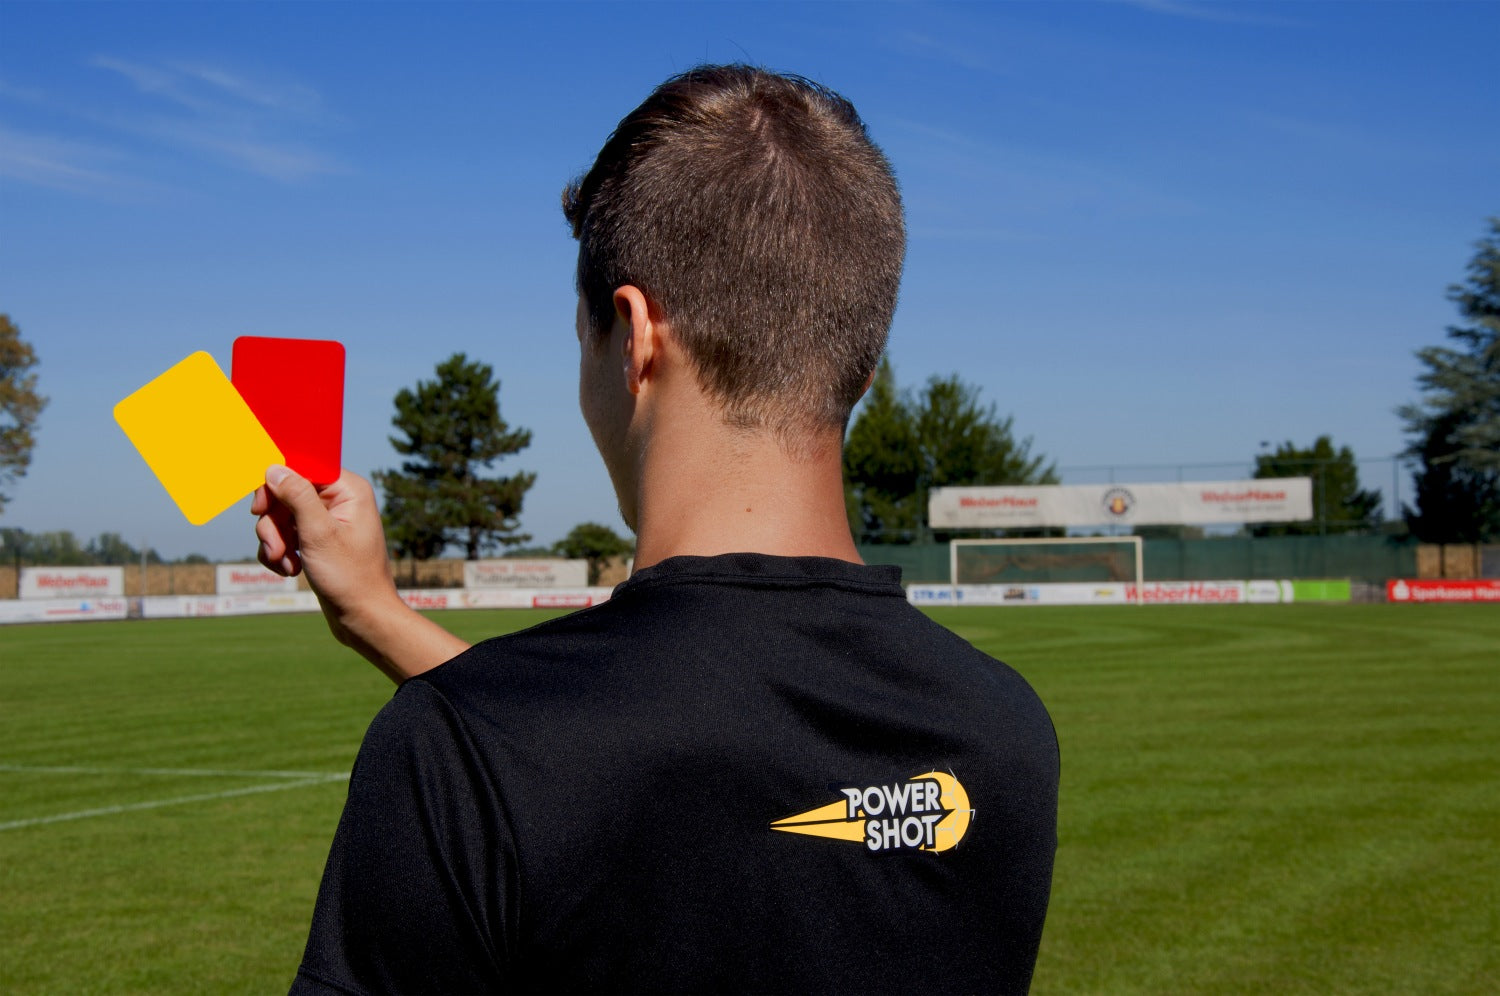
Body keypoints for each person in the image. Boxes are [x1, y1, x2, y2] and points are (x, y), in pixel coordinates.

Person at [254, 64, 1059, 994]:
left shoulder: (453, 752)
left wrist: (438, 706)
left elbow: (586, 752)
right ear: (860, 365)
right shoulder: (1005, 732)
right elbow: (661, 748)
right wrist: (374, 612)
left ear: (631, 335)